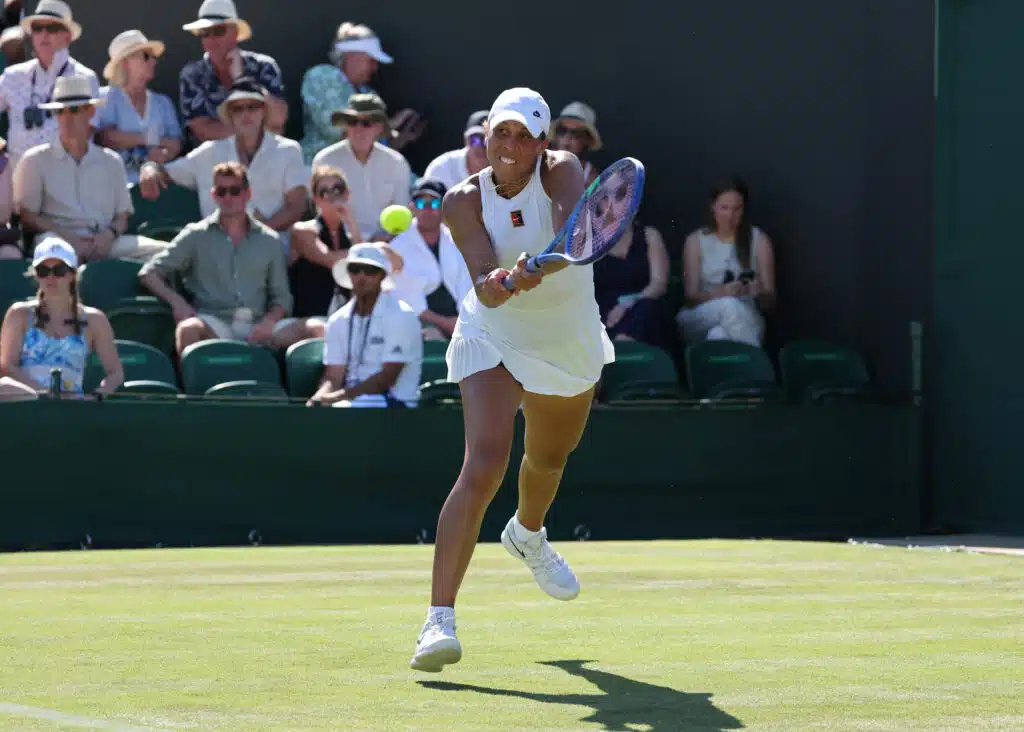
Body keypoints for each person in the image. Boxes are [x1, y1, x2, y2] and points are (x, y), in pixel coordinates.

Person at [410, 88, 615, 673]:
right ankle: (437, 621)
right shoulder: (460, 200)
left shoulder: (563, 170)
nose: (510, 145)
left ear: (541, 144)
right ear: (485, 137)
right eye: (501, 132)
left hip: (566, 338)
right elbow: (484, 285)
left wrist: (539, 266)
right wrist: (504, 282)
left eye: (524, 136)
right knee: (483, 465)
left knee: (548, 459)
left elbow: (575, 236)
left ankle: (527, 533)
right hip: (493, 334)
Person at [138, 161, 300, 356]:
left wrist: (269, 322)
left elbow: (282, 296)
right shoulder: (196, 235)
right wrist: (177, 302)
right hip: (214, 325)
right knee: (187, 329)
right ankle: (193, 377)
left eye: (235, 191)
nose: (228, 198)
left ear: (247, 194)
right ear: (214, 195)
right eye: (222, 192)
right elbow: (149, 273)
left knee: (315, 330)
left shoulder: (269, 239)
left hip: (259, 325)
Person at [0, 235, 122, 400]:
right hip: (29, 403)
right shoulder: (19, 313)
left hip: (72, 407)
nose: (50, 277)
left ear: (72, 274)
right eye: (43, 271)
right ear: (36, 275)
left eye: (59, 270)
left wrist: (97, 396)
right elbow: (7, 367)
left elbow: (115, 373)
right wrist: (44, 394)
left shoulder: (95, 319)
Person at [307, 242, 422, 408]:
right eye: (355, 269)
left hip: (396, 405)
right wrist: (319, 398)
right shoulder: (338, 320)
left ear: (382, 276)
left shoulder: (401, 314)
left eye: (370, 271)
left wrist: (338, 397)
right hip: (350, 402)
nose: (361, 276)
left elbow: (387, 378)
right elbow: (333, 377)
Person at [676, 178, 777, 347]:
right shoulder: (696, 241)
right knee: (729, 305)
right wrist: (720, 293)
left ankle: (742, 361)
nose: (730, 215)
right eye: (724, 208)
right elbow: (690, 299)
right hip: (700, 315)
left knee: (718, 335)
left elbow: (770, 301)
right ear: (713, 206)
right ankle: (755, 358)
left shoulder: (759, 240)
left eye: (737, 209)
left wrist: (758, 293)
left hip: (748, 316)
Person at [387, 177, 473, 340]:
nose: (427, 210)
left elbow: (466, 286)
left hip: (462, 321)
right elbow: (409, 301)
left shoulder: (459, 240)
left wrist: (463, 322)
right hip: (420, 324)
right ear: (412, 208)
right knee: (432, 338)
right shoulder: (397, 247)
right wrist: (447, 324)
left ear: (444, 207)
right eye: (421, 204)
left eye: (433, 203)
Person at [95, 30, 183, 183]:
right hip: (117, 188)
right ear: (125, 63)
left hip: (157, 187)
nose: (153, 62)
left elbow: (176, 142)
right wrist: (151, 139)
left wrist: (164, 155)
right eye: (146, 56)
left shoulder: (163, 103)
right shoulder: (105, 97)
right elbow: (107, 138)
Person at [422, 110, 489, 191]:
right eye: (475, 140)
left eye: (487, 140)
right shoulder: (440, 168)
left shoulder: (503, 169)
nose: (481, 147)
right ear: (466, 140)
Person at [550, 102, 602, 186]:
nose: (568, 137)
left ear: (587, 140)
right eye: (562, 130)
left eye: (576, 133)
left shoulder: (592, 180)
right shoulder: (535, 167)